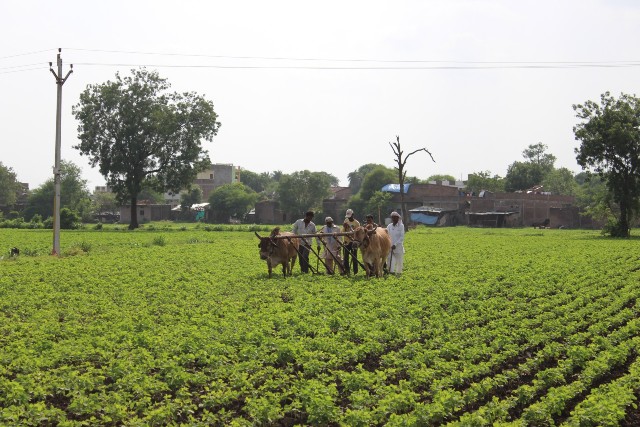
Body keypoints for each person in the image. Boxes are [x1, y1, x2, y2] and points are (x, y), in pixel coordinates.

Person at [342, 208, 360, 274]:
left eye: (350, 216)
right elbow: (342, 232)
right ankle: (347, 271)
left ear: (353, 215)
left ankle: (355, 272)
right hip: (346, 242)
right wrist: (344, 227)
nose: (349, 218)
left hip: (354, 242)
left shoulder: (357, 223)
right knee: (346, 258)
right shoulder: (346, 221)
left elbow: (358, 233)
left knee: (354, 257)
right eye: (348, 217)